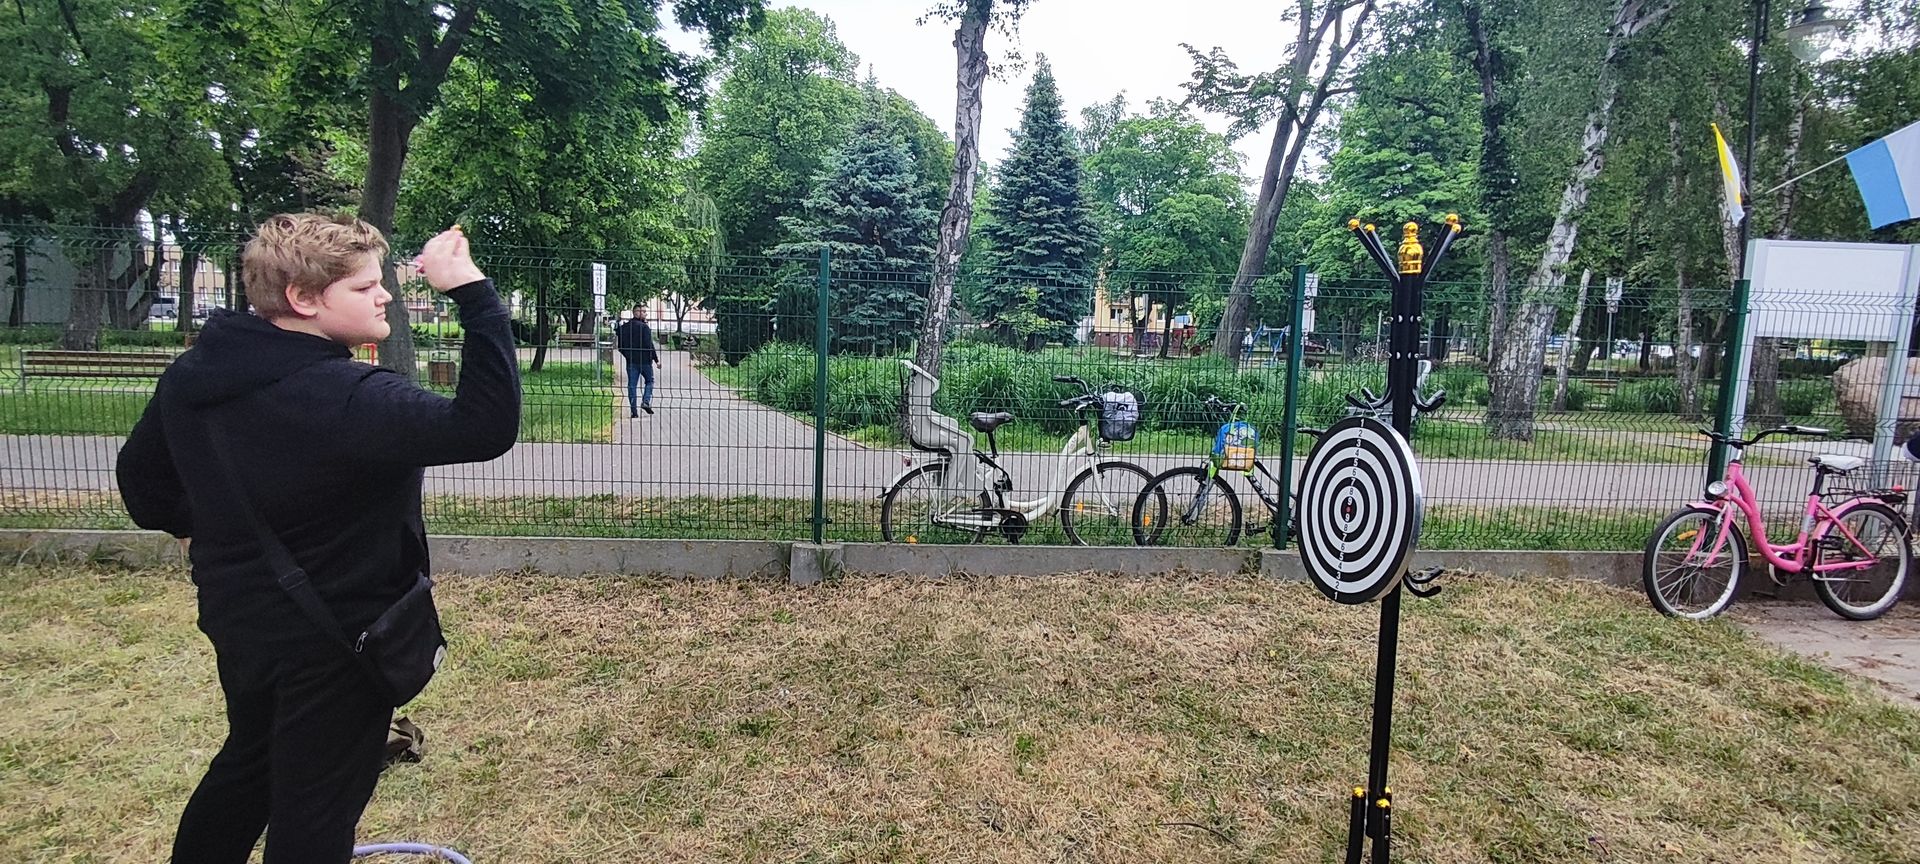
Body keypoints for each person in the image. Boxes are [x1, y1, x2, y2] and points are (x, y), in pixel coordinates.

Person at [115, 213, 521, 864]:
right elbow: (484, 427)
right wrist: (474, 294)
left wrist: (197, 532)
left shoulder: (194, 376)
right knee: (318, 805)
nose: (384, 296)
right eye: (364, 287)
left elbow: (143, 484)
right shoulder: (348, 396)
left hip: (239, 619)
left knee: (250, 763)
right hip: (339, 638)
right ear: (303, 298)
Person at [614, 303, 660, 416]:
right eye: (643, 311)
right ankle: (646, 401)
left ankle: (633, 411)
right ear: (636, 313)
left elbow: (620, 346)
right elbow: (649, 345)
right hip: (645, 361)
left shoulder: (625, 327)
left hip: (631, 361)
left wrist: (628, 355)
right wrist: (656, 360)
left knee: (632, 385)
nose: (645, 314)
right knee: (649, 381)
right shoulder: (644, 327)